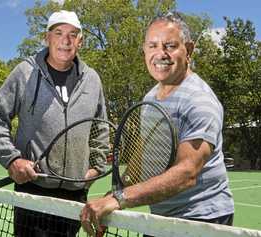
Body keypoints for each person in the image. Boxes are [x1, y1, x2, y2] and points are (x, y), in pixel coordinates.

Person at [80, 12, 234, 236]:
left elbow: (186, 173)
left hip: (203, 220)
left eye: (169, 46)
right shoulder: (150, 98)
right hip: (161, 219)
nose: (160, 54)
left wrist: (119, 199)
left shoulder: (200, 101)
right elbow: (145, 155)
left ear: (188, 50)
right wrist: (115, 193)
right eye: (152, 46)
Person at [0, 10, 108, 237]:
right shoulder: (24, 72)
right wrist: (12, 160)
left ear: (80, 41)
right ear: (47, 38)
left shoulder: (92, 79)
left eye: (73, 34)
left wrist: (96, 168)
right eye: (58, 32)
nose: (66, 40)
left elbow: (101, 127)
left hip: (75, 195)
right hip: (33, 193)